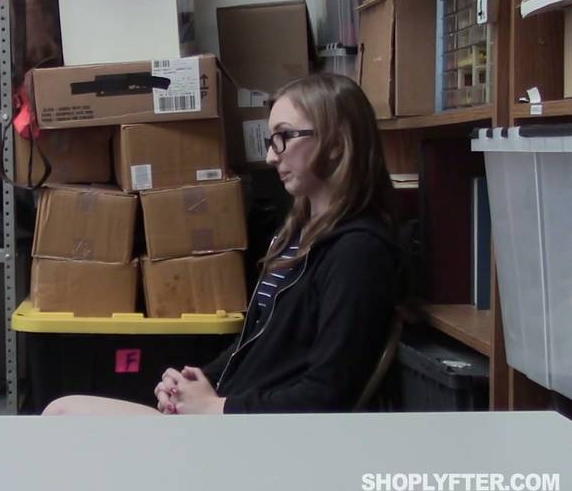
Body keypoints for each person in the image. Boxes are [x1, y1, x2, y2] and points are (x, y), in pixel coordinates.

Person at [43, 73, 400, 415]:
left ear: (336, 144)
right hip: (232, 415)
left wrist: (216, 408)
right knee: (63, 411)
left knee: (62, 412)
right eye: (271, 140)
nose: (272, 156)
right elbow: (256, 347)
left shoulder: (358, 253)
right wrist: (195, 381)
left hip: (259, 434)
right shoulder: (298, 235)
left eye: (284, 136)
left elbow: (328, 394)